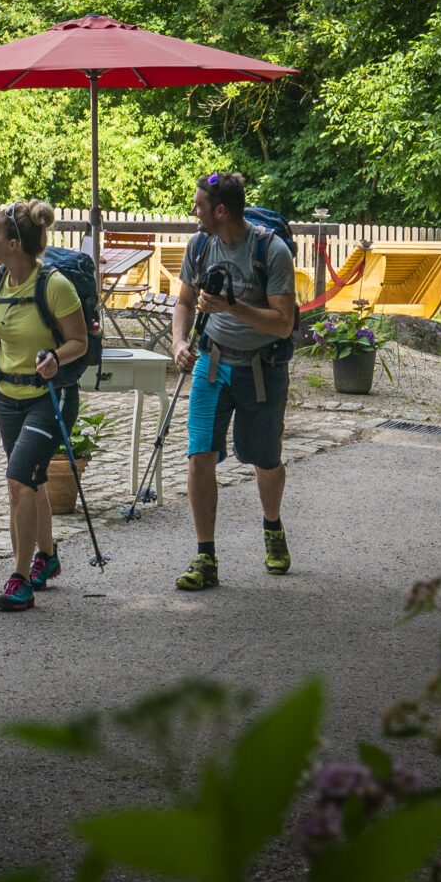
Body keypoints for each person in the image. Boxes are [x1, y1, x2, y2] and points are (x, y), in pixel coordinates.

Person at [0, 199, 90, 613]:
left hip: (50, 397)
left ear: (13, 242)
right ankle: (46, 558)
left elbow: (79, 342)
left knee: (18, 480)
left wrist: (55, 357)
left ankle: (20, 577)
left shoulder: (54, 285)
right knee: (33, 481)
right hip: (7, 398)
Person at [170, 170, 299, 589]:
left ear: (220, 210)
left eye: (199, 205)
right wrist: (178, 342)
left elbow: (283, 324)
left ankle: (273, 527)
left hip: (263, 368)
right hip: (212, 363)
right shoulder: (200, 245)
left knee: (265, 459)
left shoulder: (272, 251)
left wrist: (231, 307)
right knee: (199, 455)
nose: (194, 210)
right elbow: (184, 302)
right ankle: (205, 557)